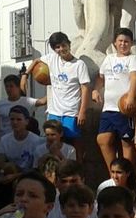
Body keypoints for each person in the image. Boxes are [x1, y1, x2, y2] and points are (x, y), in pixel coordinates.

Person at [24, 32, 90, 160]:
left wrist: (82, 111)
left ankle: (76, 168)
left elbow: (85, 88)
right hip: (54, 111)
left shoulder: (79, 64)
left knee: (73, 143)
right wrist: (24, 75)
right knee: (52, 142)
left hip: (71, 112)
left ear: (69, 44)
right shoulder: (52, 59)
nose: (61, 49)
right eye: (57, 47)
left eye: (63, 45)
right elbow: (36, 60)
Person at [94, 28, 136, 170]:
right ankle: (114, 174)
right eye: (120, 41)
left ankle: (128, 175)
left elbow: (135, 77)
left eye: (126, 42)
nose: (123, 44)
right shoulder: (109, 58)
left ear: (131, 43)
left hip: (124, 108)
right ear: (115, 43)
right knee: (103, 139)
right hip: (108, 107)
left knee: (126, 142)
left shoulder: (133, 59)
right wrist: (96, 90)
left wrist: (131, 97)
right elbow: (100, 77)